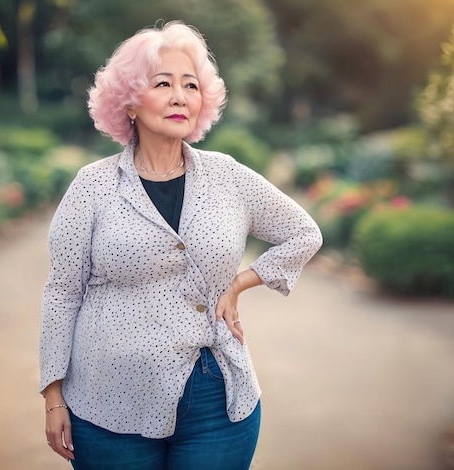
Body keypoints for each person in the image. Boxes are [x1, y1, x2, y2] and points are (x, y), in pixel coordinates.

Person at [40, 20, 323, 470]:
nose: (180, 96)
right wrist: (54, 395)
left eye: (191, 85)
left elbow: (304, 232)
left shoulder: (226, 175)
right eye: (163, 84)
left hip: (218, 399)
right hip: (108, 402)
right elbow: (62, 293)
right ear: (129, 102)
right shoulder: (92, 187)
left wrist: (240, 283)